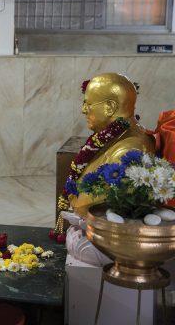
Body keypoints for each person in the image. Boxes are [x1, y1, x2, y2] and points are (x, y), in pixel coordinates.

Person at [62, 72, 155, 265]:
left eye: (88, 104)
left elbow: (90, 204)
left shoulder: (128, 150)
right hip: (96, 233)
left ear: (110, 107)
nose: (83, 110)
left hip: (112, 245)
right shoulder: (114, 137)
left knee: (82, 246)